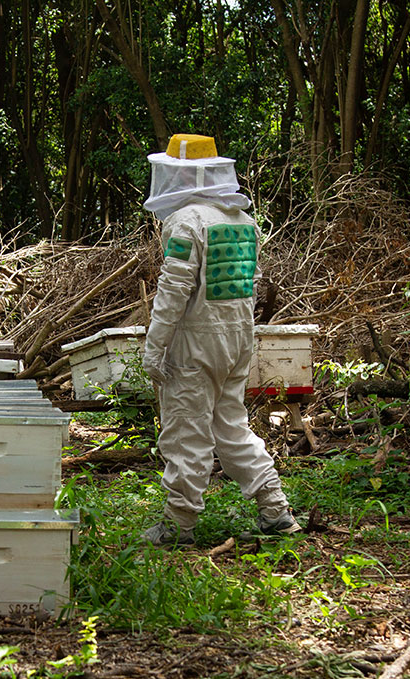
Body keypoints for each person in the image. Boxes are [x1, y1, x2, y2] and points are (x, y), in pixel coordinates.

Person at [139, 134, 299, 546]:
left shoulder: (185, 221)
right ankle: (275, 509)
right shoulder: (243, 220)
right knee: (231, 427)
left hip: (195, 345)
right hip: (238, 340)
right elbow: (252, 284)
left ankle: (179, 525)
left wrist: (155, 346)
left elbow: (174, 290)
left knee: (186, 431)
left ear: (182, 175)